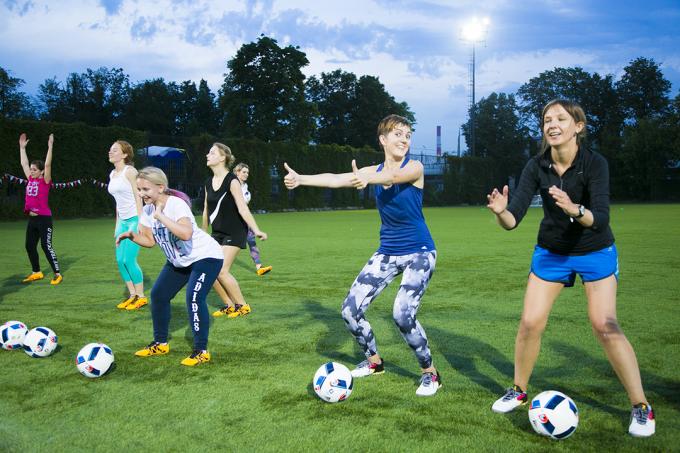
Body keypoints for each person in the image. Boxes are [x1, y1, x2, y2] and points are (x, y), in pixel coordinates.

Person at [486, 99, 655, 437]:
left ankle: (641, 407)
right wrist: (502, 211)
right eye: (547, 119)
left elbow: (600, 218)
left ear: (578, 126)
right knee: (530, 323)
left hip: (594, 249)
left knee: (604, 325)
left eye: (561, 118)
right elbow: (513, 219)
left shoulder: (595, 163)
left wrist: (574, 209)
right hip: (552, 251)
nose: (552, 124)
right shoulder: (536, 166)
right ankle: (519, 389)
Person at [283, 114, 441, 396]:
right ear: (382, 139)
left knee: (402, 314)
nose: (404, 139)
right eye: (397, 134)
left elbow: (392, 177)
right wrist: (301, 178)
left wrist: (365, 178)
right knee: (350, 311)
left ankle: (430, 373)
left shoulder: (414, 167)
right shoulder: (372, 170)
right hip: (387, 252)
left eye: (407, 135)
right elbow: (335, 179)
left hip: (420, 251)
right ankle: (374, 363)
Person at [116, 167, 223, 366]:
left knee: (193, 297)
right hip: (179, 261)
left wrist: (161, 217)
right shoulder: (148, 210)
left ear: (161, 187)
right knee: (158, 295)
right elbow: (149, 241)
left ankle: (201, 351)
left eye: (145, 189)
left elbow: (186, 234)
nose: (141, 194)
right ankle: (160, 343)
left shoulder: (176, 205)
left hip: (205, 257)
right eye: (139, 190)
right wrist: (131, 236)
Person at [202, 143, 268, 319]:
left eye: (212, 152)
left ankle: (243, 305)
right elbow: (206, 210)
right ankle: (229, 305)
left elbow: (243, 208)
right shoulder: (208, 182)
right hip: (217, 233)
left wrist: (256, 229)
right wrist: (202, 232)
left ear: (223, 157)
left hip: (235, 232)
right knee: (208, 270)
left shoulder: (232, 181)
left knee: (221, 270)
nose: (207, 155)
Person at [107, 140, 147, 310]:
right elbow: (118, 201)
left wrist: (141, 222)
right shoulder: (112, 174)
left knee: (128, 259)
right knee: (119, 260)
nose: (110, 152)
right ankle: (132, 295)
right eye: (110, 149)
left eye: (114, 150)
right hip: (122, 221)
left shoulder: (130, 171)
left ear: (124, 154)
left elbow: (140, 197)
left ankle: (141, 296)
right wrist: (117, 224)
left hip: (134, 220)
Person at [19, 133, 62, 285]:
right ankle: (36, 272)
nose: (31, 171)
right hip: (32, 219)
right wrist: (22, 148)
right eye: (31, 169)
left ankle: (57, 273)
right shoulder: (30, 179)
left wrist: (50, 147)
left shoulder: (45, 181)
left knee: (46, 245)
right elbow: (24, 164)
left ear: (41, 171)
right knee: (29, 246)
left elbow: (48, 165)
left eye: (34, 170)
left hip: (44, 219)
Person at [233, 162, 273, 276]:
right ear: (237, 172)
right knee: (229, 245)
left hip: (244, 220)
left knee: (251, 242)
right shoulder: (231, 185)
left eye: (247, 172)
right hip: (233, 221)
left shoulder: (245, 187)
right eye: (244, 172)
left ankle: (259, 267)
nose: (246, 174)